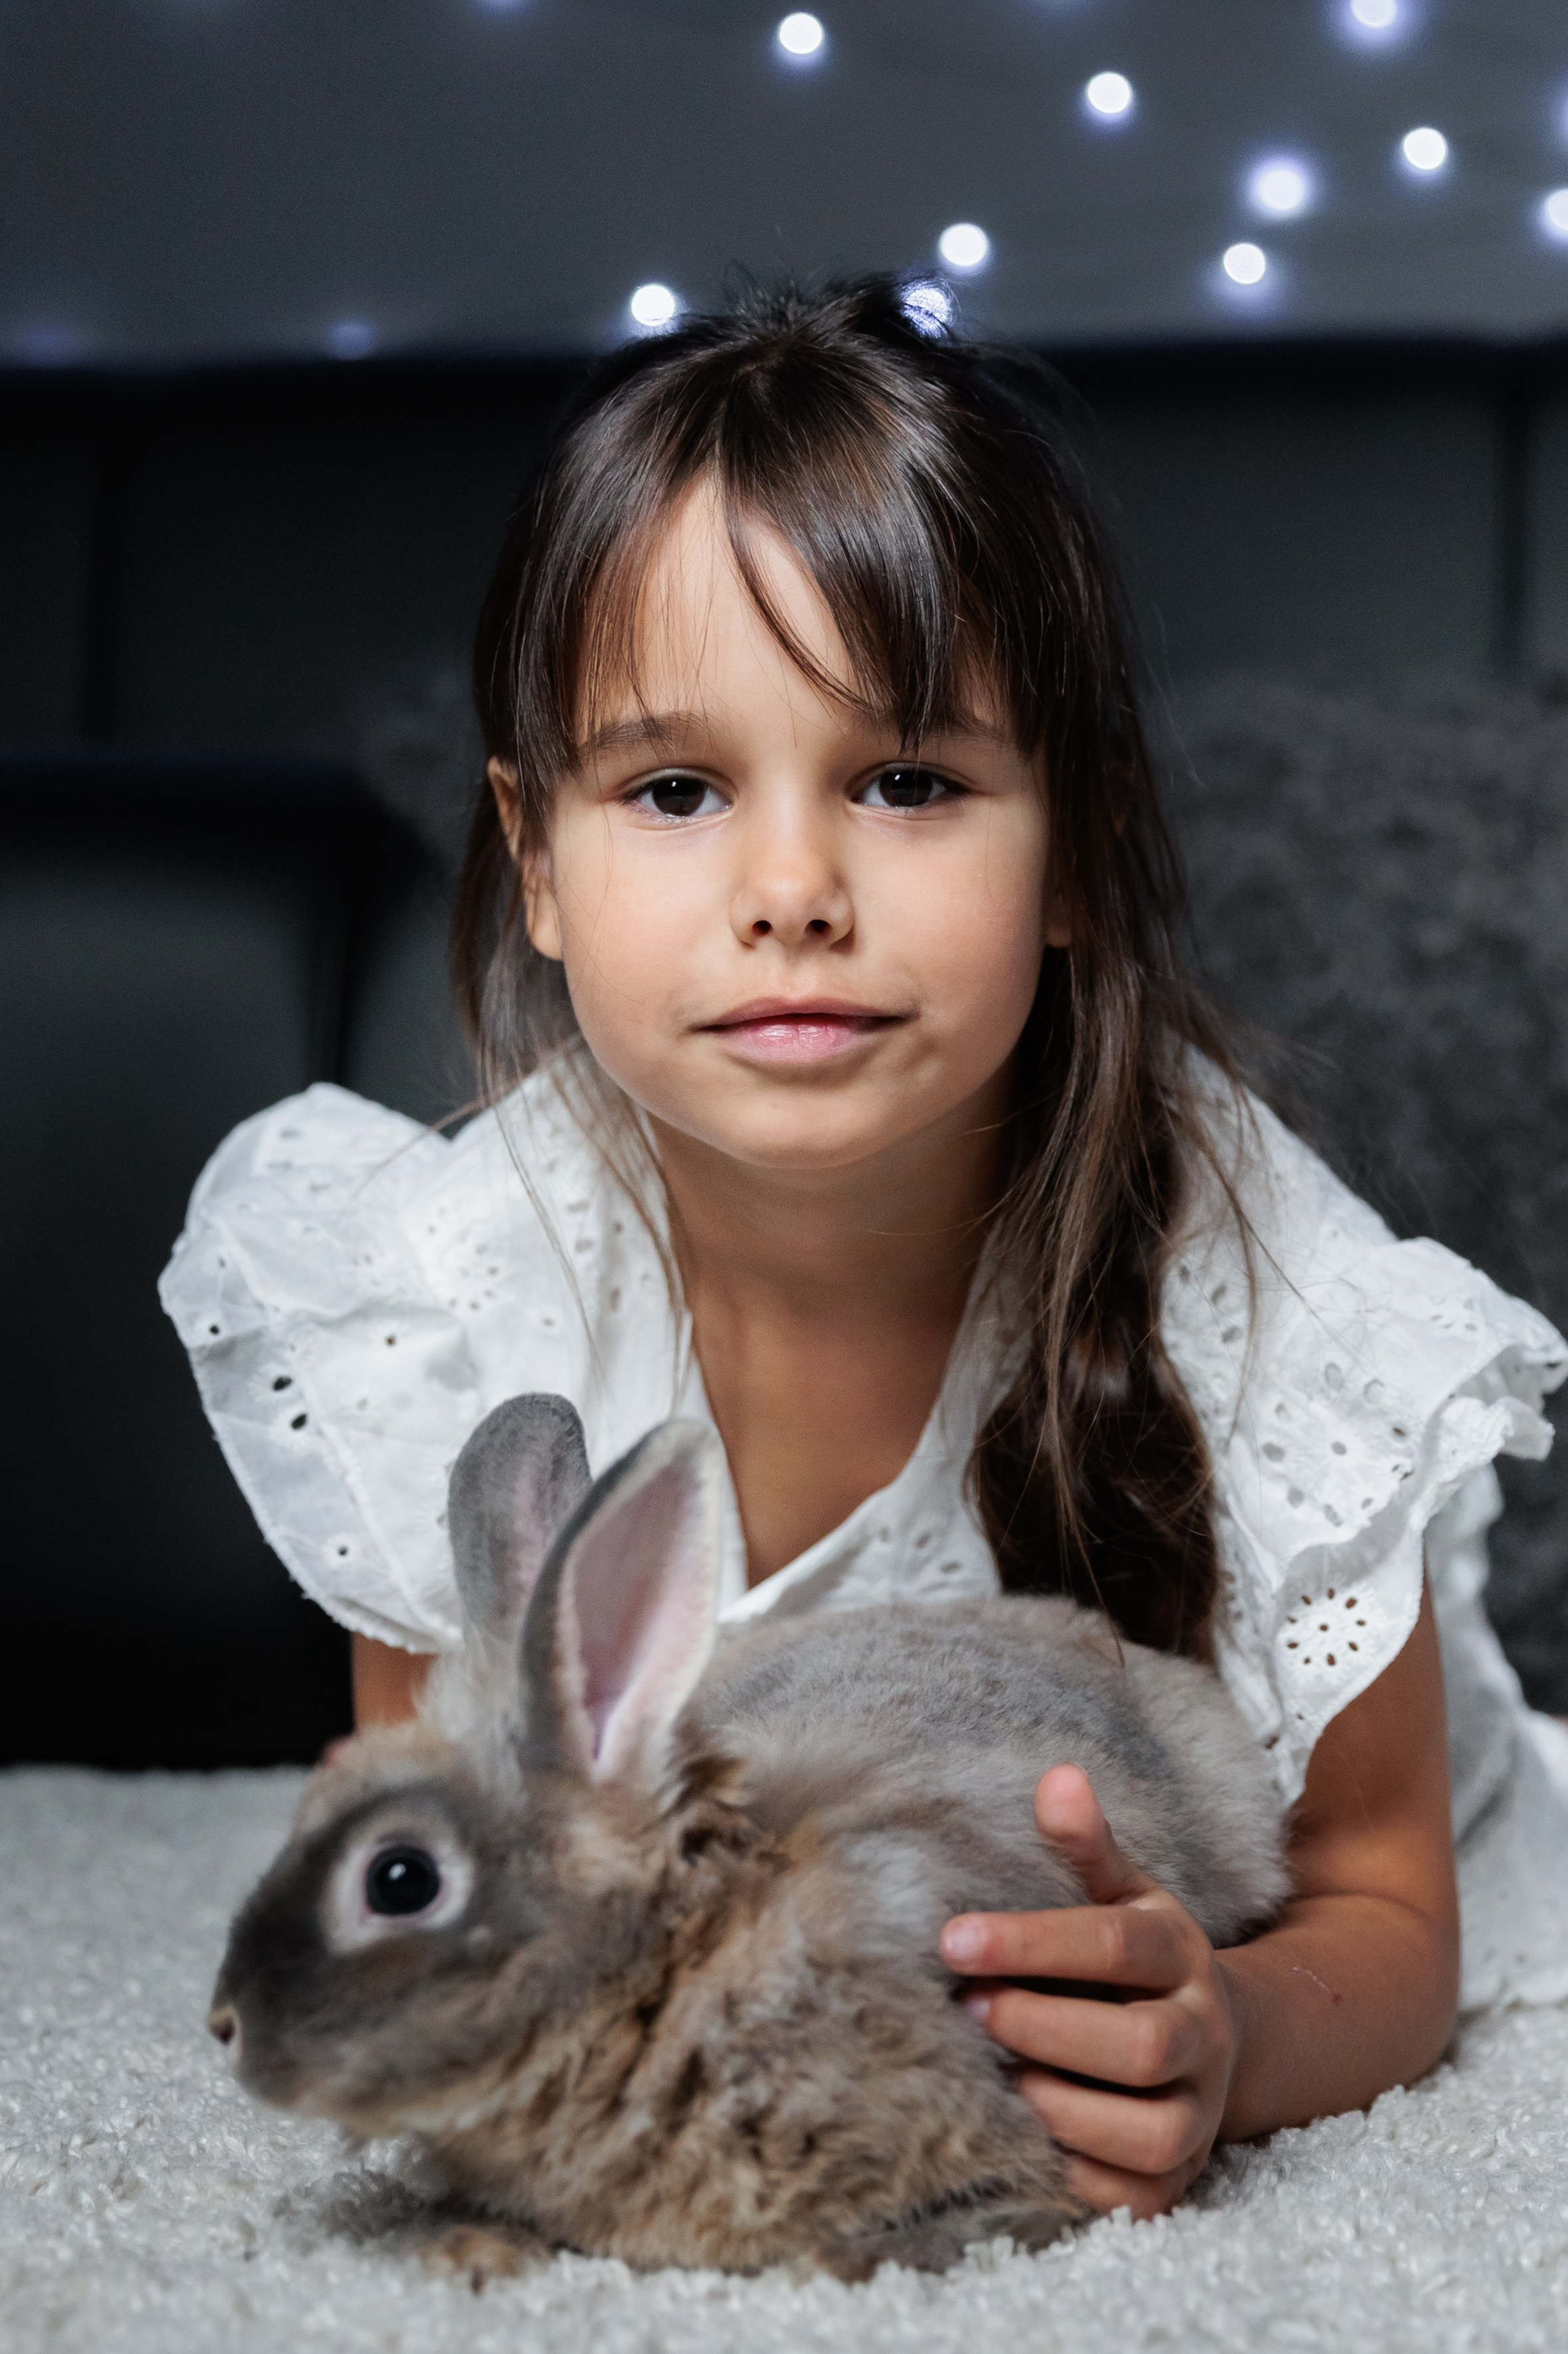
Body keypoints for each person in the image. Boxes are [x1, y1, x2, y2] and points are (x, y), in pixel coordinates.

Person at [161, 279, 1568, 2222]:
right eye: (675, 790)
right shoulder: (449, 1300)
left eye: (908, 782)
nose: (795, 892)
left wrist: (1233, 2031)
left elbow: (1390, 1899)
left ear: (1075, 847)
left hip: (1238, 1825)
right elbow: (462, 1856)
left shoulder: (1267, 1317)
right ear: (538, 864)